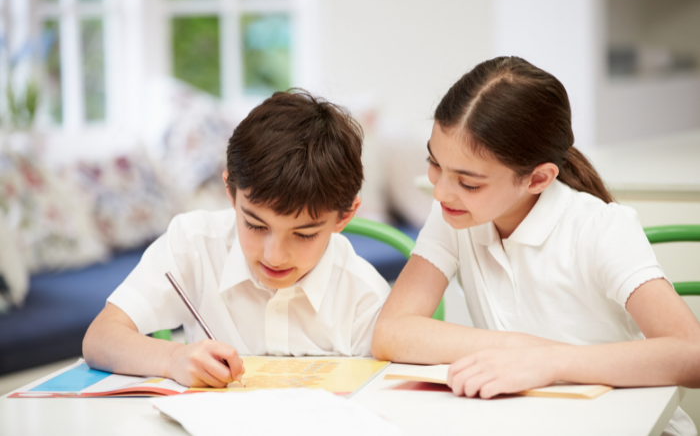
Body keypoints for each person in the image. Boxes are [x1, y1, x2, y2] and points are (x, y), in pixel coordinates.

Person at [371, 57, 699, 435]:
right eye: (434, 163)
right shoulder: (455, 214)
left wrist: (552, 362)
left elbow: (691, 354)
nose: (442, 190)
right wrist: (522, 349)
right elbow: (393, 332)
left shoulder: (599, 228)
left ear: (538, 179)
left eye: (470, 182)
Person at [84, 90, 391, 388]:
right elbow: (100, 338)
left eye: (304, 234)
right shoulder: (193, 244)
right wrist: (172, 358)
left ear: (344, 217)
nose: (274, 255)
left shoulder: (364, 297)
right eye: (256, 225)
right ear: (230, 191)